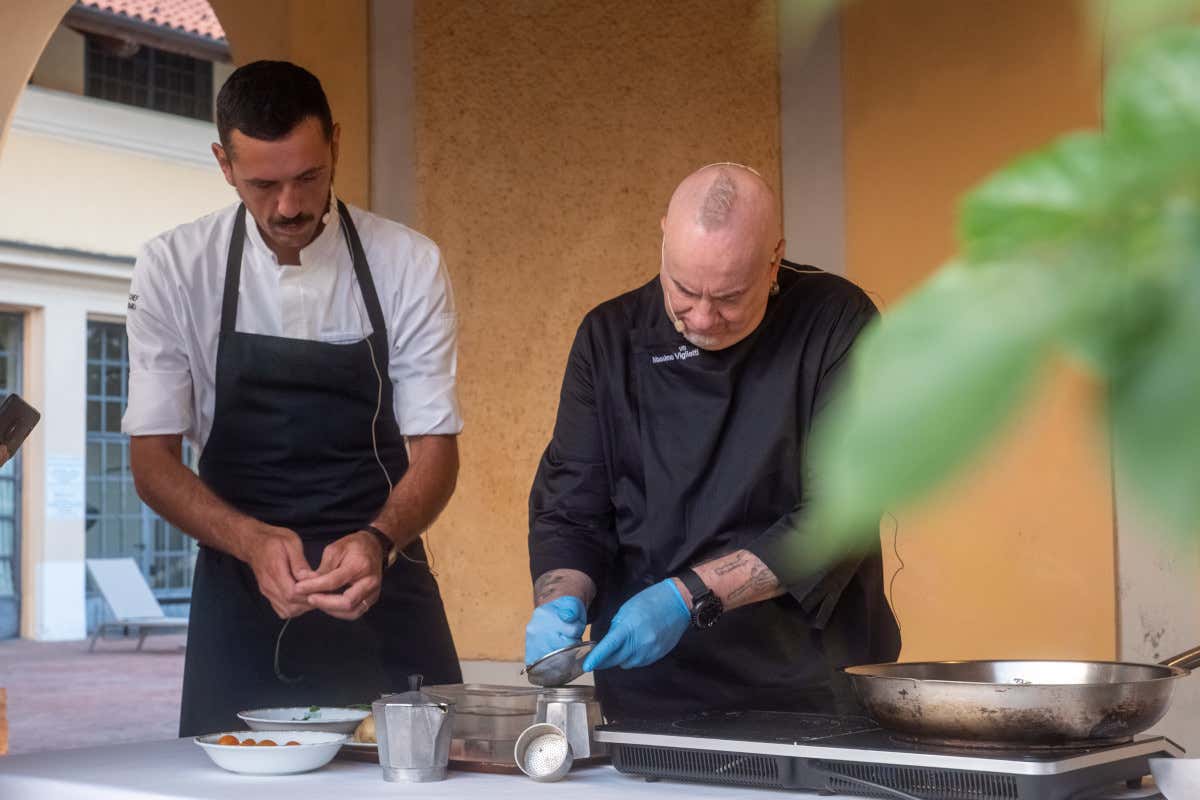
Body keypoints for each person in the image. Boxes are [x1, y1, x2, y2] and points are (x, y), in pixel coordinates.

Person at [124, 61, 462, 736]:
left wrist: (378, 538)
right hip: (240, 591)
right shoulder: (173, 267)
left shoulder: (407, 262)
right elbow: (152, 462)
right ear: (224, 163)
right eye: (263, 184)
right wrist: (249, 541)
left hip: (383, 583)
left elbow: (436, 451)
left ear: (334, 142)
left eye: (308, 176)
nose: (289, 206)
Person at [526, 163, 901, 721]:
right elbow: (572, 510)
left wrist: (687, 597)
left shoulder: (835, 323)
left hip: (808, 692)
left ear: (774, 259)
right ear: (662, 241)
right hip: (650, 694)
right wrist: (560, 600)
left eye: (729, 297)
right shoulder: (608, 339)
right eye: (682, 289)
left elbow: (839, 515)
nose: (702, 316)